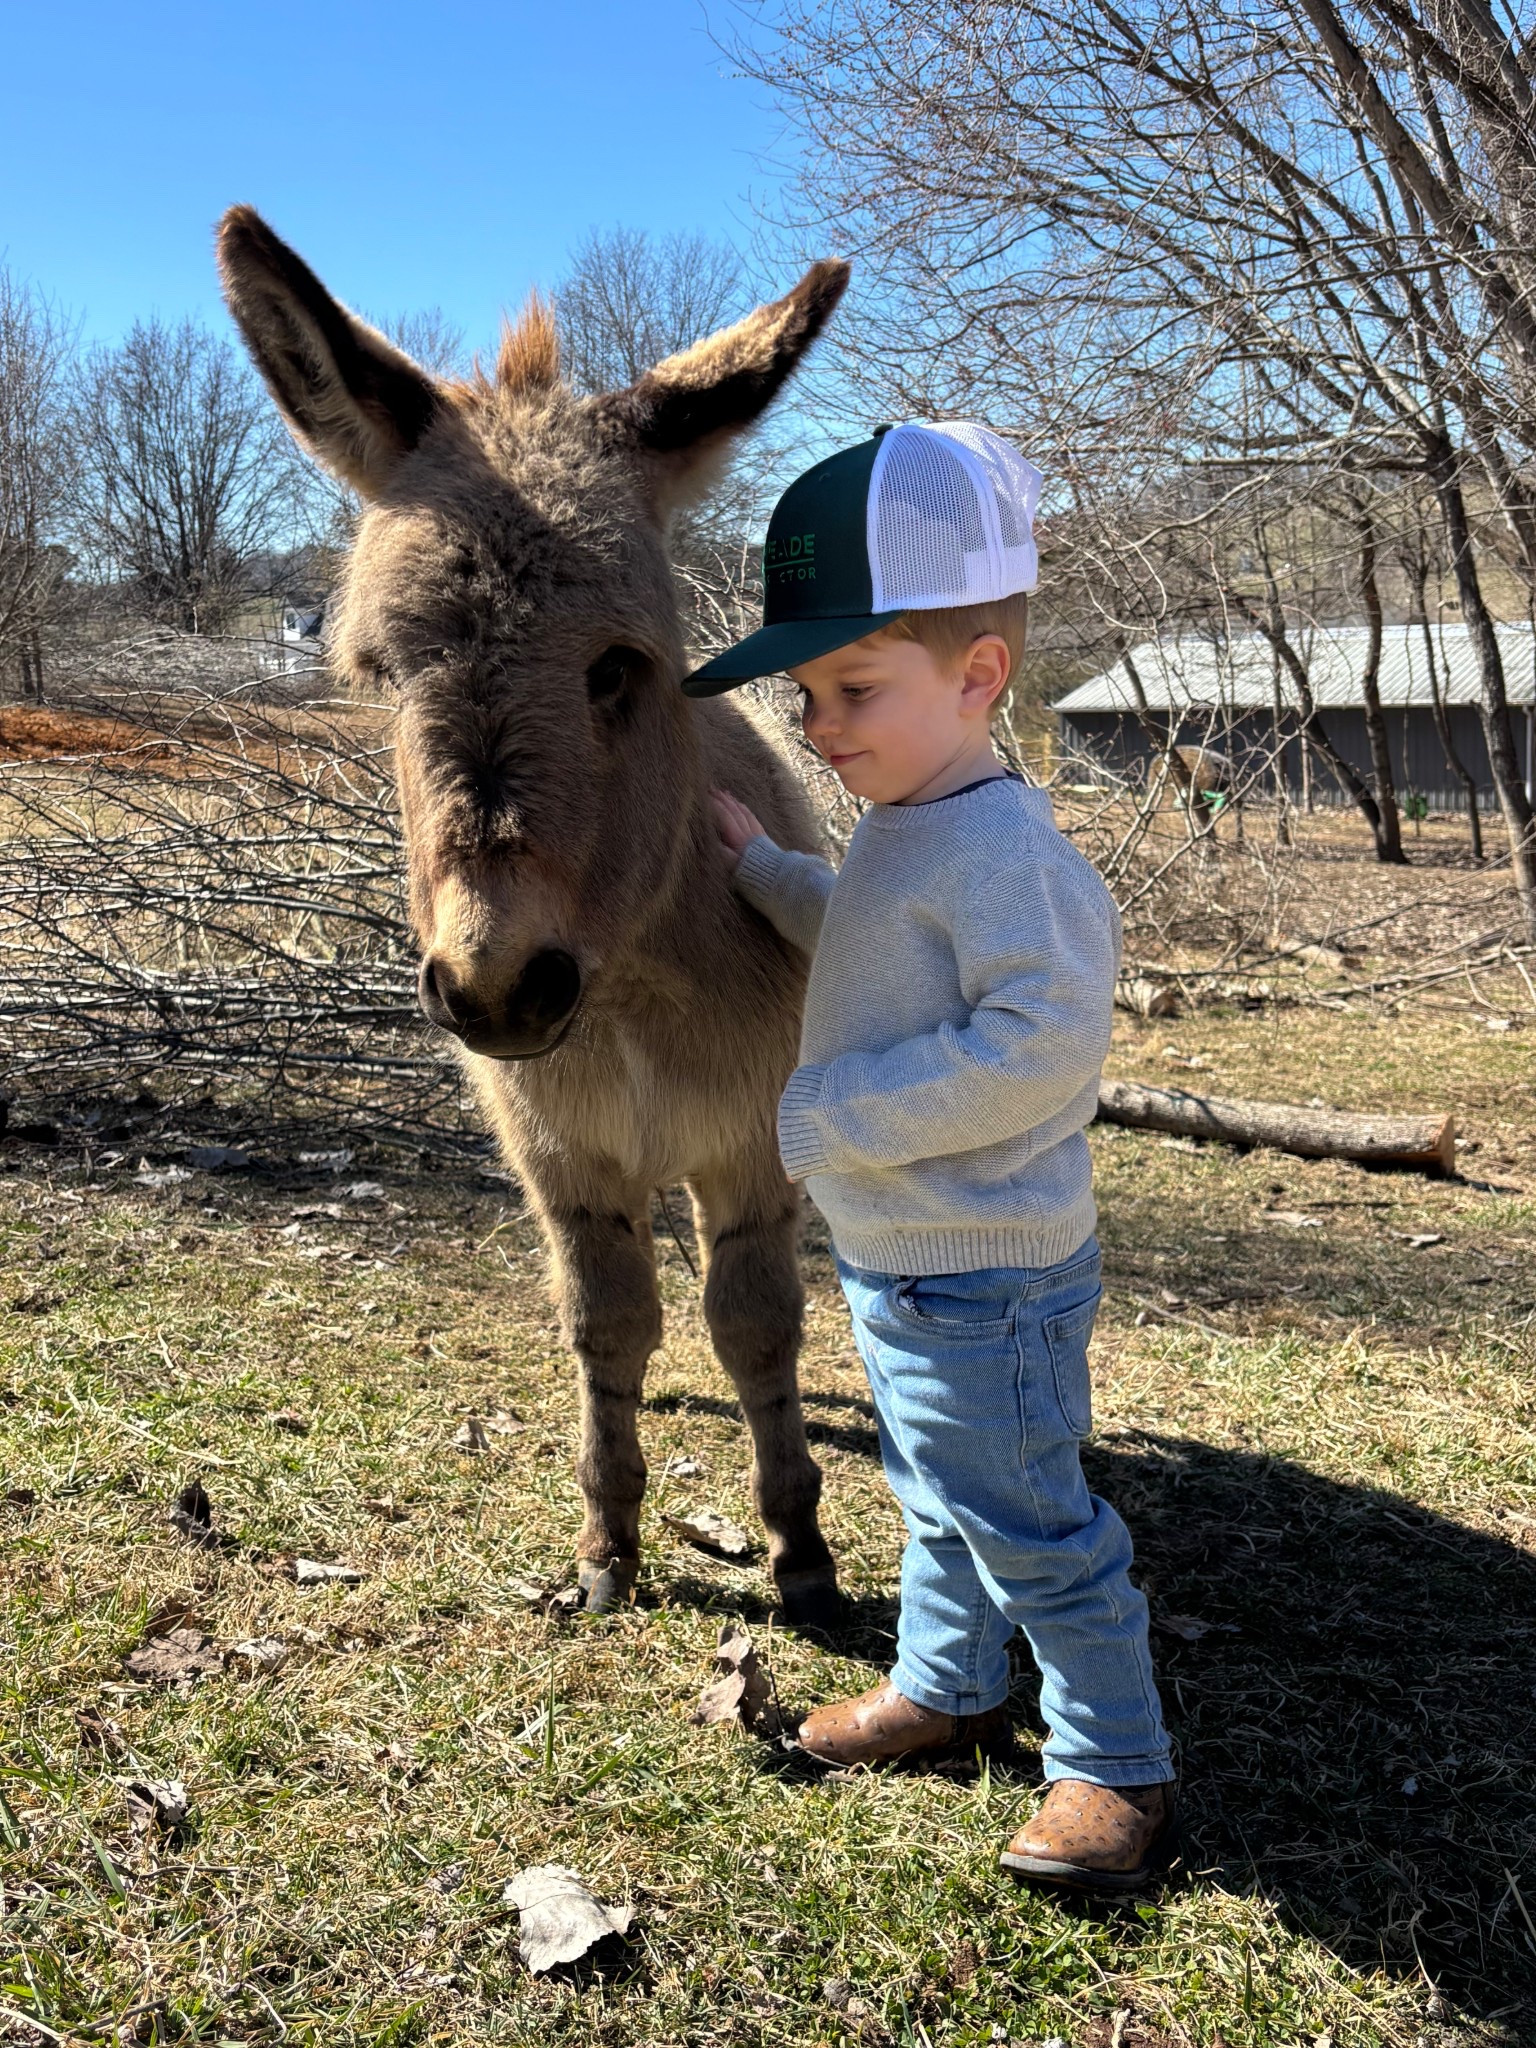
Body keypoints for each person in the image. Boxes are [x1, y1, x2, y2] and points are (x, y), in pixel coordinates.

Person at [682, 422, 1176, 1893]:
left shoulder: (1011, 853)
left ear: (979, 679)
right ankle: (947, 1688)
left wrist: (829, 1120)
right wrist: (769, 876)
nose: (822, 725)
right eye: (808, 692)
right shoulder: (908, 819)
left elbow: (1035, 1048)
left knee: (1034, 1522)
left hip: (990, 1276)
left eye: (856, 688)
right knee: (935, 1489)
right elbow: (880, 962)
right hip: (909, 1261)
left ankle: (1113, 1762)